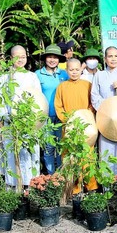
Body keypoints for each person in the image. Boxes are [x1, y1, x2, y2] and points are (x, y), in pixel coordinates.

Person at [54, 58, 97, 194]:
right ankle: (74, 189)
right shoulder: (62, 86)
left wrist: (87, 117)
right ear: (66, 70)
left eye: (77, 69)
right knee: (70, 158)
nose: (74, 72)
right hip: (69, 128)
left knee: (87, 157)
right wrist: (68, 120)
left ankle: (91, 187)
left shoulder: (87, 85)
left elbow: (92, 104)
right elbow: (58, 106)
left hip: (86, 128)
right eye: (71, 70)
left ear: (81, 69)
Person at [4, 45, 43, 187]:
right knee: (11, 153)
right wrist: (7, 116)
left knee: (29, 152)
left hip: (30, 123)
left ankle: (30, 184)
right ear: (10, 58)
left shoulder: (32, 77)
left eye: (23, 57)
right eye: (16, 57)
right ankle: (13, 184)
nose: (20, 60)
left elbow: (38, 98)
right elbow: (0, 100)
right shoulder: (5, 77)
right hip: (11, 122)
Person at [36, 45, 69, 174]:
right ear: (45, 58)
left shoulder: (64, 74)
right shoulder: (38, 74)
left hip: (61, 117)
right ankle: (51, 176)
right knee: (49, 148)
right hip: (46, 117)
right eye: (50, 57)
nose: (52, 60)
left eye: (55, 57)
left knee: (61, 147)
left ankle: (61, 176)